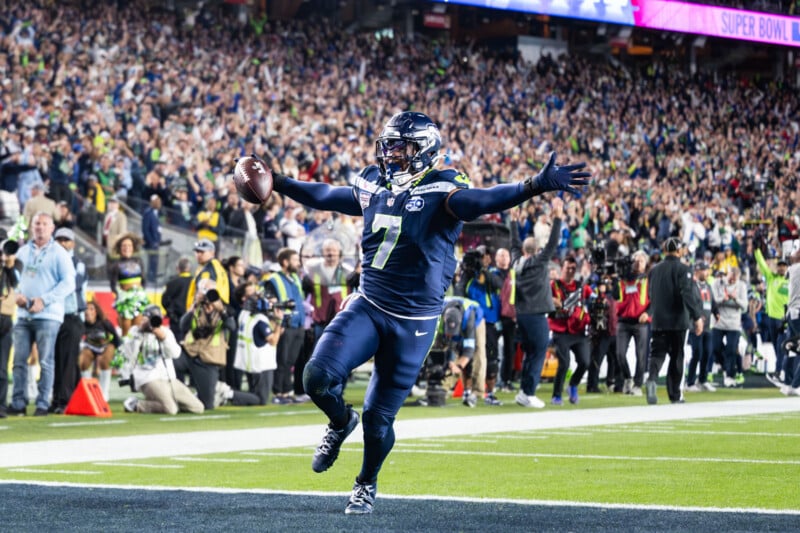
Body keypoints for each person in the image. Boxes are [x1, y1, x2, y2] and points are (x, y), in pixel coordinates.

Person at [257, 111, 589, 514]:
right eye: (389, 144)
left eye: (401, 145)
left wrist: (532, 186)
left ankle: (365, 483)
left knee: (379, 420)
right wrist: (278, 182)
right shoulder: (373, 183)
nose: (391, 152)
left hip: (413, 322)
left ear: (424, 149)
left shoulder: (443, 187)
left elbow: (482, 199)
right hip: (370, 303)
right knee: (316, 377)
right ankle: (342, 420)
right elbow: (326, 194)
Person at [9, 212, 76, 416]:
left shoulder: (59, 253)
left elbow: (68, 283)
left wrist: (43, 300)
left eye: (44, 224)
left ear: (52, 228)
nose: (39, 227)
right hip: (22, 313)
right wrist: (17, 294)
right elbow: (14, 278)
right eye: (36, 223)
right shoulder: (21, 252)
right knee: (19, 360)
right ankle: (18, 403)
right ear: (31, 227)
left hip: (48, 315)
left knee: (45, 361)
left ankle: (42, 404)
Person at [509, 199, 563, 409]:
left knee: (531, 354)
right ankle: (529, 392)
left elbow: (514, 244)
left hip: (522, 314)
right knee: (539, 352)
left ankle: (524, 392)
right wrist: (557, 217)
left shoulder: (516, 261)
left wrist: (513, 222)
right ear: (537, 250)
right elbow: (553, 242)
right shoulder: (540, 262)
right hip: (537, 314)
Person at [645, 237, 704, 405]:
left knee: (657, 354)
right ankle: (675, 394)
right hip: (678, 321)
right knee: (677, 356)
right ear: (679, 251)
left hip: (658, 320)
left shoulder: (654, 270)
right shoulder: (683, 269)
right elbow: (687, 294)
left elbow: (651, 295)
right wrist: (697, 316)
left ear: (665, 251)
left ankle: (652, 379)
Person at [120, 305, 205, 415]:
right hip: (147, 378)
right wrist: (141, 333)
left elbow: (175, 354)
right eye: (149, 319)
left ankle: (168, 402)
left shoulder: (165, 332)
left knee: (198, 407)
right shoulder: (135, 332)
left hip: (169, 378)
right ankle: (136, 404)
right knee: (170, 409)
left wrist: (164, 339)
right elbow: (128, 354)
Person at [180, 279, 237, 410]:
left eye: (212, 291)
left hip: (209, 359)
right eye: (205, 291)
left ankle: (221, 392)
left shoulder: (223, 309)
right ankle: (179, 395)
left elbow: (232, 327)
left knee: (207, 405)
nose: (208, 296)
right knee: (171, 362)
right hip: (189, 353)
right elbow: (182, 325)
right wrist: (194, 305)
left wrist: (221, 310)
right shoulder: (197, 308)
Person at [261, 247, 307, 404]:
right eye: (294, 260)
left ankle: (287, 392)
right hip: (284, 325)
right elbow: (268, 300)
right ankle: (278, 392)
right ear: (285, 262)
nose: (298, 263)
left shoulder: (295, 278)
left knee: (290, 362)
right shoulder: (273, 279)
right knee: (282, 360)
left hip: (298, 325)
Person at [50, 228, 88, 412]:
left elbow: (73, 284)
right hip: (54, 315)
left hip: (72, 315)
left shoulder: (78, 263)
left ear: (73, 243)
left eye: (66, 240)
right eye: (59, 240)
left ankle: (63, 401)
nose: (63, 243)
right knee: (57, 358)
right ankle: (61, 398)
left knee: (66, 359)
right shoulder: (51, 262)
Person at [548, 255, 593, 405]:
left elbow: (594, 296)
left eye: (574, 268)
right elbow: (542, 299)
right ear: (562, 268)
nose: (571, 271)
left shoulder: (581, 286)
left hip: (579, 330)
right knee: (564, 363)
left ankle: (573, 385)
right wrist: (551, 301)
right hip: (560, 331)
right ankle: (556, 395)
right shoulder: (553, 285)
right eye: (568, 268)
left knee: (585, 362)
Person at [234, 291, 284, 405]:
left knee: (254, 393)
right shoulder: (260, 321)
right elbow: (273, 340)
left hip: (249, 361)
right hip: (262, 364)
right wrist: (279, 321)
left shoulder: (244, 315)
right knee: (261, 399)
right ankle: (231, 394)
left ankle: (234, 395)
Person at [436, 295, 486, 408]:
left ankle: (477, 392)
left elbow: (469, 349)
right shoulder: (438, 314)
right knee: (446, 353)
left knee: (478, 353)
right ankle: (441, 387)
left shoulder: (469, 318)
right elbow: (440, 344)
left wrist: (459, 366)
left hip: (476, 322)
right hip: (449, 316)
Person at [613, 250, 651, 397]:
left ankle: (637, 384)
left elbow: (654, 300)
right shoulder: (623, 279)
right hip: (623, 320)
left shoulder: (648, 280)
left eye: (641, 261)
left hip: (640, 322)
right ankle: (628, 378)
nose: (637, 263)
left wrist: (647, 313)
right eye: (635, 260)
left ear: (645, 264)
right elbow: (615, 295)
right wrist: (616, 278)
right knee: (620, 354)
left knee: (641, 355)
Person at [754, 249, 789, 382]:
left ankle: (780, 371)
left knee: (781, 345)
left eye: (783, 266)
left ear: (786, 268)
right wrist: (757, 251)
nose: (781, 268)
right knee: (776, 345)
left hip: (783, 318)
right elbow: (762, 264)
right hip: (771, 318)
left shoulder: (791, 281)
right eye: (779, 266)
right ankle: (782, 371)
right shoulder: (771, 278)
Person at [711, 266, 749, 388]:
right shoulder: (717, 283)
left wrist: (735, 298)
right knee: (715, 348)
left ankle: (730, 376)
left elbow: (744, 306)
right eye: (730, 278)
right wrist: (724, 298)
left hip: (733, 323)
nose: (732, 281)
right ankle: (725, 367)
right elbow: (713, 301)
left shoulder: (742, 286)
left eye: (735, 279)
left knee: (731, 350)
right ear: (727, 275)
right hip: (718, 321)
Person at [685, 262, 717, 392]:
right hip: (695, 325)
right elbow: (691, 302)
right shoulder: (692, 286)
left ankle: (702, 380)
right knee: (697, 353)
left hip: (708, 325)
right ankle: (690, 382)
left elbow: (712, 302)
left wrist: (717, 312)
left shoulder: (708, 286)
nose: (706, 273)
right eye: (704, 270)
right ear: (697, 271)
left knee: (707, 353)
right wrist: (697, 316)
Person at [78, 300, 121, 395]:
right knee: (83, 360)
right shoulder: (82, 325)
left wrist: (118, 354)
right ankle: (87, 391)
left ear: (96, 312)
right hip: (91, 347)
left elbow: (116, 340)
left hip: (106, 346)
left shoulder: (105, 323)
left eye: (91, 309)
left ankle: (103, 392)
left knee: (104, 360)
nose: (87, 311)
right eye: (86, 309)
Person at [0, 231, 20, 418]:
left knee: (2, 365)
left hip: (5, 316)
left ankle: (0, 405)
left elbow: (16, 283)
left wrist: (10, 265)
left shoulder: (13, 263)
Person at [185, 238, 229, 310]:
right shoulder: (215, 266)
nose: (198, 254)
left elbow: (207, 292)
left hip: (208, 311)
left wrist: (193, 308)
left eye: (202, 252)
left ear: (212, 252)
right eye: (197, 251)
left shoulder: (209, 268)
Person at [161, 257, 193, 341]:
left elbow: (164, 301)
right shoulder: (195, 282)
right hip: (191, 318)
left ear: (177, 269)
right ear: (189, 268)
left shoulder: (172, 282)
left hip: (175, 320)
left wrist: (170, 312)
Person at [142, 194, 162, 283]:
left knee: (155, 261)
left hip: (156, 243)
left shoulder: (157, 213)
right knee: (151, 261)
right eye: (156, 201)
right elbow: (145, 229)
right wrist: (151, 241)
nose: (158, 203)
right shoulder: (148, 213)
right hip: (150, 243)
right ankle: (150, 278)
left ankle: (153, 277)